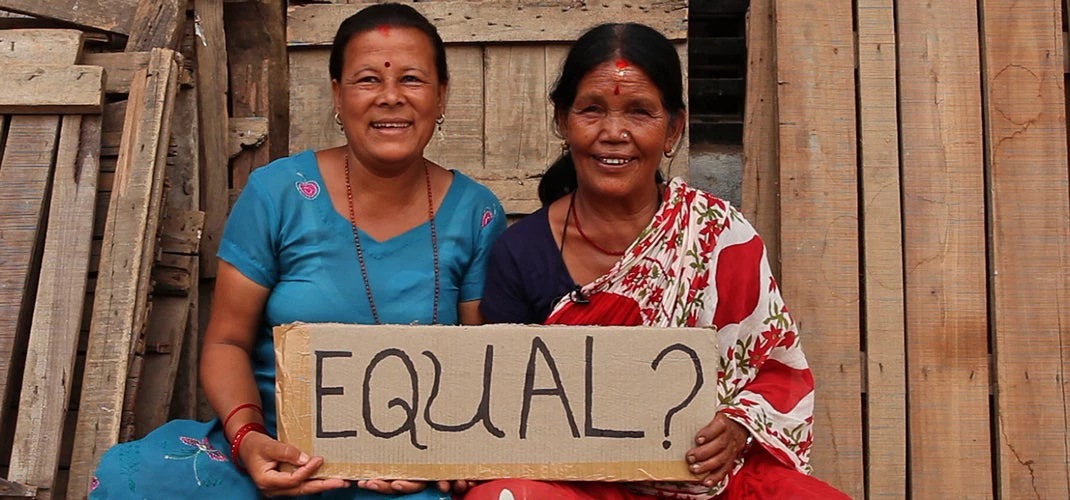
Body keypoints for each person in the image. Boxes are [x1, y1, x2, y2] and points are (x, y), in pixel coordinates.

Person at [90, 4, 505, 498]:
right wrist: (249, 441)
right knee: (130, 479)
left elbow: (485, 364)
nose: (390, 98)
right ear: (337, 95)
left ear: (441, 97)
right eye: (367, 79)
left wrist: (447, 453)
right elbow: (226, 345)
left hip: (410, 468)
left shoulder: (476, 212)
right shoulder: (279, 193)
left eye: (412, 79)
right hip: (280, 454)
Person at [469, 23, 848, 500]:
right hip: (576, 483)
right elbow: (502, 400)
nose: (613, 133)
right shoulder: (520, 251)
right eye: (592, 110)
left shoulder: (718, 235)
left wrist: (736, 426)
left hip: (708, 478)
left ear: (673, 129)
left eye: (639, 112)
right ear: (563, 123)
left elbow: (773, 367)